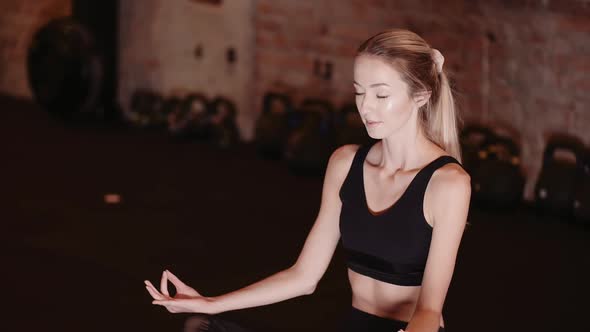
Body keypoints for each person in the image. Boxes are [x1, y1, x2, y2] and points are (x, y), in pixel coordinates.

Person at [145, 28, 471, 332]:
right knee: (202, 326)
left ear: (421, 96)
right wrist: (210, 303)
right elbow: (304, 277)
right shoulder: (345, 164)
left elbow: (429, 309)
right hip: (354, 324)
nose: (366, 107)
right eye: (359, 92)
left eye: (381, 95)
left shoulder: (448, 184)